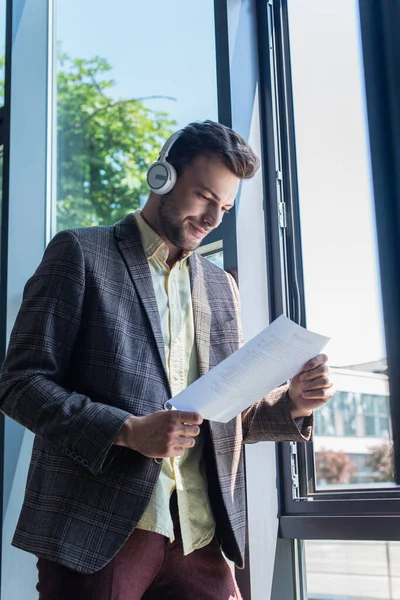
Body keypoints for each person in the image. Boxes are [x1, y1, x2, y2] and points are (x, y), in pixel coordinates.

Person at [0, 120, 334, 599]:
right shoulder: (80, 253)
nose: (213, 218)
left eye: (224, 207)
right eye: (204, 197)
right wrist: (127, 431)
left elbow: (226, 418)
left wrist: (294, 404)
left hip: (200, 533)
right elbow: (20, 383)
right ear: (163, 178)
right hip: (100, 528)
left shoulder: (220, 288)